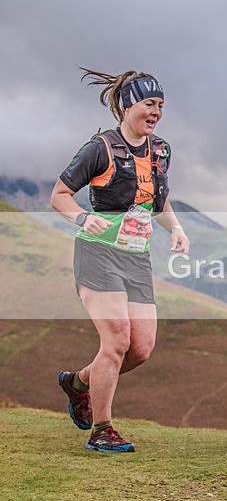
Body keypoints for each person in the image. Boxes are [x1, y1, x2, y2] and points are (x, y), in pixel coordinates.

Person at [51, 68, 189, 452]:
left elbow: (158, 202)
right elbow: (60, 194)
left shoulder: (161, 150)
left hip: (136, 257)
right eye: (149, 103)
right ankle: (102, 431)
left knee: (140, 349)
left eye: (161, 105)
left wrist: (176, 228)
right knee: (116, 341)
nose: (156, 111)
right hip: (98, 254)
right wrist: (82, 216)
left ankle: (77, 383)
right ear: (128, 105)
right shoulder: (100, 147)